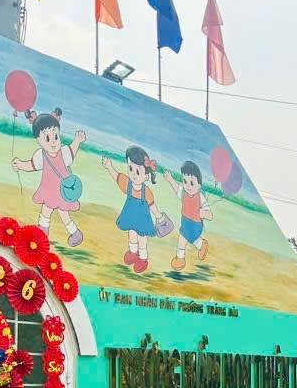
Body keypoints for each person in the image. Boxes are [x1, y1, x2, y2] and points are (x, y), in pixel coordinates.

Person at [12, 108, 86, 247]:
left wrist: (77, 140)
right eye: (47, 138)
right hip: (49, 190)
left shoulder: (63, 152)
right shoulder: (40, 155)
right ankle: (42, 231)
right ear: (38, 140)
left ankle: (75, 233)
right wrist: (20, 165)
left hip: (63, 191)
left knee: (64, 212)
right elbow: (32, 165)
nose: (53, 142)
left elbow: (72, 151)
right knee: (46, 209)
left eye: (55, 136)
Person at [101, 146, 164, 274]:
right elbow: (117, 177)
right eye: (130, 168)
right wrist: (109, 167)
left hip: (142, 221)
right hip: (130, 217)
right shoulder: (128, 184)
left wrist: (159, 216)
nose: (133, 174)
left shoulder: (146, 192)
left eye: (138, 171)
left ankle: (143, 259)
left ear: (146, 176)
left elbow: (152, 206)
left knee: (142, 239)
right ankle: (133, 253)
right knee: (132, 235)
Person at [163, 161, 212, 269]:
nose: (188, 186)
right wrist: (170, 180)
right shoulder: (183, 193)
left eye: (192, 183)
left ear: (199, 185)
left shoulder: (200, 197)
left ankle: (199, 246)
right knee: (184, 239)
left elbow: (210, 215)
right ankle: (182, 257)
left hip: (195, 225)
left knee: (189, 238)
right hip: (185, 222)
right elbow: (177, 188)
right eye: (185, 181)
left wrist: (203, 213)